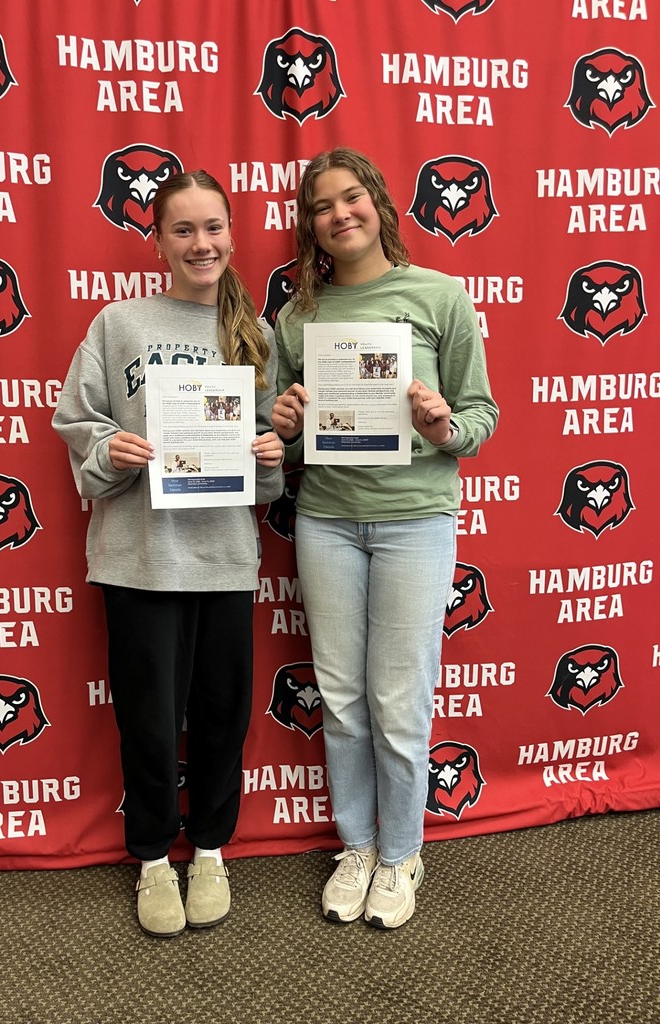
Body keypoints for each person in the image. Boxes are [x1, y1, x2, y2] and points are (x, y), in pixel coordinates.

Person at [52, 170, 284, 938]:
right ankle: (153, 857)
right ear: (157, 242)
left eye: (212, 227)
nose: (200, 243)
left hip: (222, 556)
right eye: (182, 230)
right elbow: (76, 421)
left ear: (231, 234)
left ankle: (210, 849)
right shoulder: (119, 323)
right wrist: (108, 449)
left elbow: (267, 478)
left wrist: (269, 451)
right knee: (148, 719)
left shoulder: (257, 333)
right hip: (138, 556)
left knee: (222, 715)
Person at [272, 148, 498, 930]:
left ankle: (403, 853)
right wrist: (287, 427)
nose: (340, 214)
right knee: (341, 697)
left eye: (351, 197)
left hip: (414, 522)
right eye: (322, 206)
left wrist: (445, 425)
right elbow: (285, 444)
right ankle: (358, 845)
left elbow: (480, 418)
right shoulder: (298, 317)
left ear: (378, 202)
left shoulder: (440, 296)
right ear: (312, 229)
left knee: (398, 701)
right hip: (326, 520)